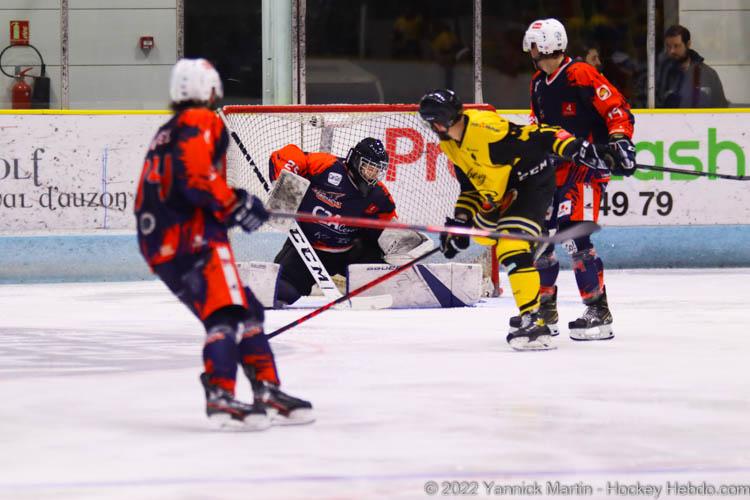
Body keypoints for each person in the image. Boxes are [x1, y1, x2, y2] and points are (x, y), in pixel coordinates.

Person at [135, 58, 313, 430]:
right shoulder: (202, 120)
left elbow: (160, 192)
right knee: (226, 316)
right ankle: (221, 395)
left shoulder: (166, 132)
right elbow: (197, 179)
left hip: (160, 246)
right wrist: (236, 205)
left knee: (246, 310)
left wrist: (234, 205)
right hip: (194, 240)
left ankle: (266, 390)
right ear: (210, 88)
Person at [418, 89, 615, 351]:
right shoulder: (450, 145)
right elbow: (470, 189)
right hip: (504, 195)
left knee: (511, 247)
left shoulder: (486, 131)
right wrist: (461, 222)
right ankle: (534, 247)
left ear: (440, 122)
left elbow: (542, 134)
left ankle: (533, 320)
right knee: (481, 234)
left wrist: (577, 148)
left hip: (531, 184)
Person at [522, 18, 636, 341]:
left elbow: (616, 108)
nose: (530, 50)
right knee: (541, 239)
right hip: (553, 170)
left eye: (534, 44)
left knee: (574, 236)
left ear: (546, 45)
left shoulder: (580, 73)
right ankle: (545, 310)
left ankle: (598, 311)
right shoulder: (538, 83)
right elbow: (537, 126)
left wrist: (620, 140)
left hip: (588, 168)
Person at [270, 137, 408, 307]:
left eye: (377, 170)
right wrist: (283, 179)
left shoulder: (378, 195)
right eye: (369, 168)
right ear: (355, 161)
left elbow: (388, 227)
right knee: (279, 291)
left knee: (384, 287)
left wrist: (403, 244)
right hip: (307, 248)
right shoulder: (326, 165)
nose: (373, 175)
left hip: (351, 253)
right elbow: (289, 153)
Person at [656, 24, 728, 108]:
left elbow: (721, 108)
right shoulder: (661, 74)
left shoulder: (709, 74)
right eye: (668, 46)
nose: (672, 51)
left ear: (688, 44)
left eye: (676, 46)